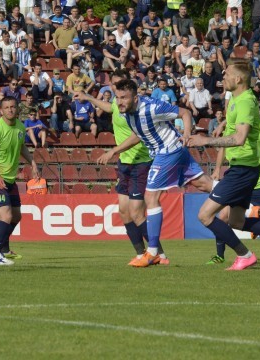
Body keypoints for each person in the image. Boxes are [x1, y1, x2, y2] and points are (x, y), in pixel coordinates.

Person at [188, 58, 260, 270]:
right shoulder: (235, 97)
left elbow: (240, 137)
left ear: (238, 78)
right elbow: (236, 125)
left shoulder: (244, 101)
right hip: (241, 168)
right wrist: (224, 124)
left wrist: (206, 140)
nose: (222, 77)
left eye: (226, 74)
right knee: (236, 222)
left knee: (205, 215)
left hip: (243, 170)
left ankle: (245, 254)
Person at [94, 79, 215, 267]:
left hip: (167, 150)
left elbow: (185, 112)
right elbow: (138, 135)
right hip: (173, 150)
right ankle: (245, 201)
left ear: (136, 97)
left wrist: (187, 134)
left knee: (150, 196)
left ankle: (153, 253)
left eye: (124, 98)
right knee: (204, 184)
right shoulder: (128, 114)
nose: (120, 102)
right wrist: (114, 151)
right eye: (118, 98)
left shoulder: (153, 107)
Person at [75, 70, 163, 265]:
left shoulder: (135, 108)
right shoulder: (117, 103)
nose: (115, 89)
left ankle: (159, 254)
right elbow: (108, 107)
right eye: (114, 85)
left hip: (141, 160)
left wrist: (112, 151)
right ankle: (141, 254)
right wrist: (88, 97)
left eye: (119, 85)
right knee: (124, 211)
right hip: (125, 162)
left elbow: (138, 135)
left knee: (136, 212)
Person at [208, 117, 260, 264]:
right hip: (237, 181)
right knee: (223, 217)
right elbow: (223, 147)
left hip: (258, 181)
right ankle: (220, 256)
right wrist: (217, 169)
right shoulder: (232, 125)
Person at [0, 96, 39, 265]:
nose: (10, 110)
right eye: (6, 107)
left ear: (17, 109)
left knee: (16, 217)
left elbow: (21, 147)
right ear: (2, 110)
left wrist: (32, 162)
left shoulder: (20, 127)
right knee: (5, 216)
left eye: (13, 107)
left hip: (10, 179)